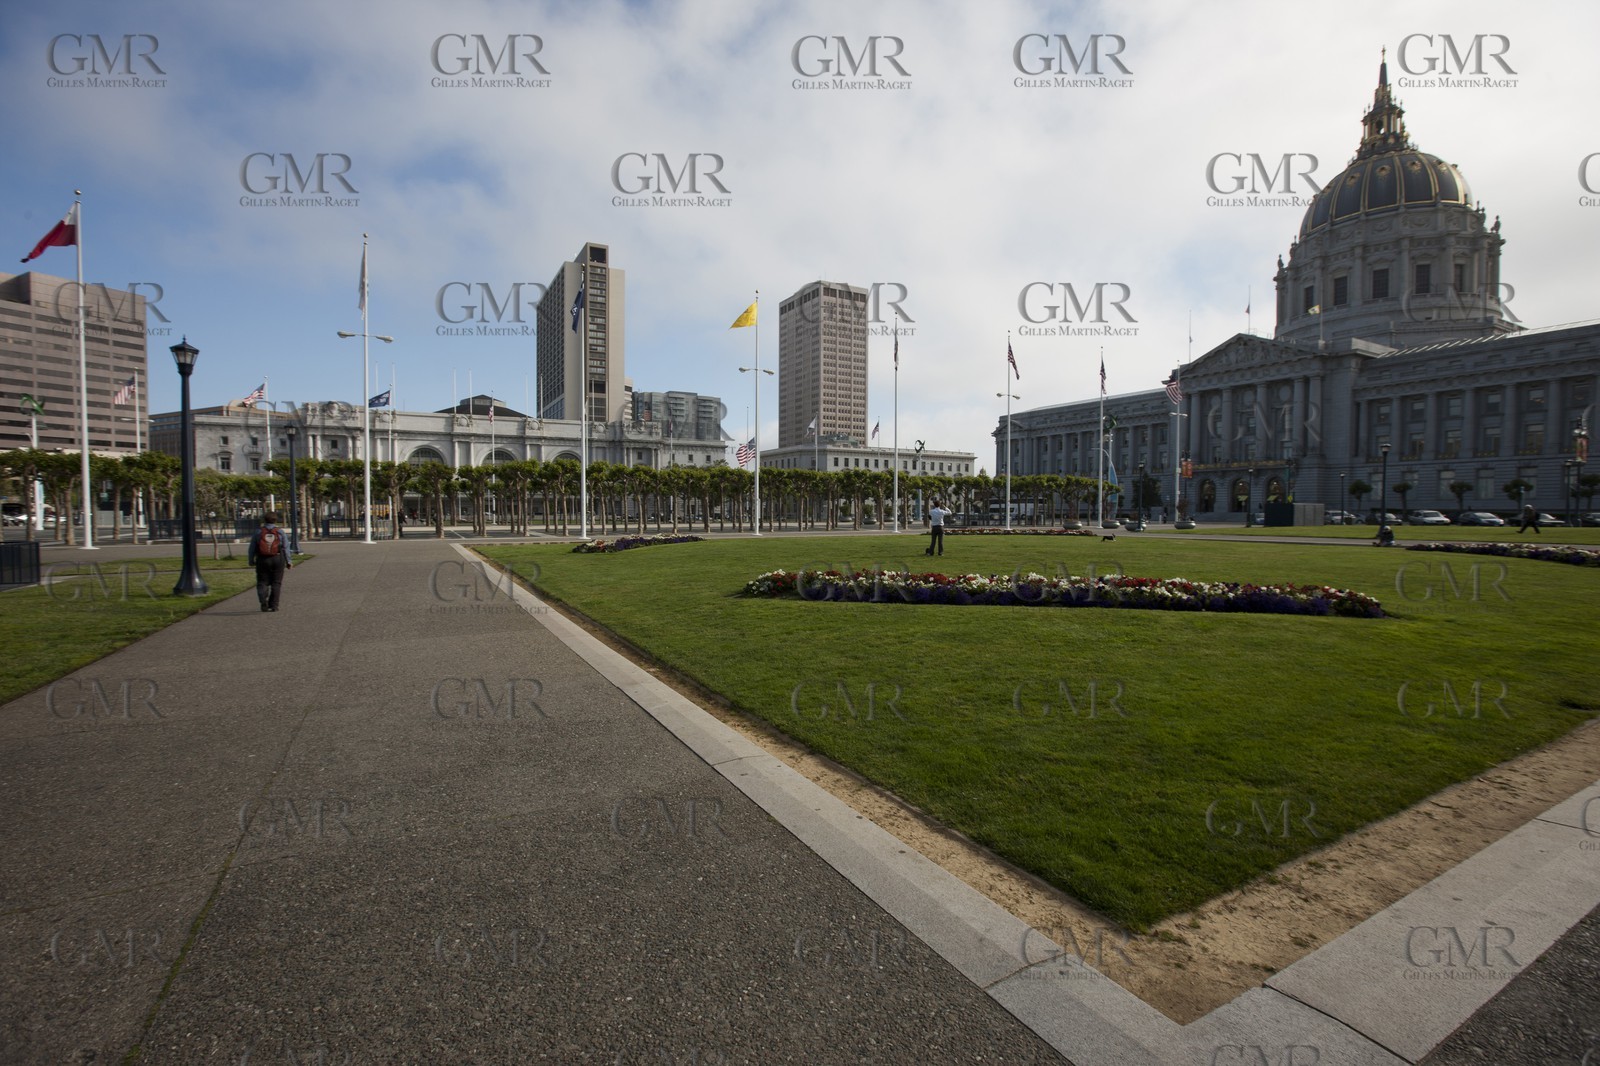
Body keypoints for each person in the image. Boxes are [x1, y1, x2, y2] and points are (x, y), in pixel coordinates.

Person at [248, 511, 292, 612]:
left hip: (262, 559)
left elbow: (252, 548)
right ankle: (274, 605)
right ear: (275, 520)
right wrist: (288, 561)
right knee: (276, 582)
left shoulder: (258, 532)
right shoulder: (280, 532)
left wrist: (251, 560)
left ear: (264, 520)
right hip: (277, 558)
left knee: (262, 581)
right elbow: (286, 547)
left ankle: (263, 599)